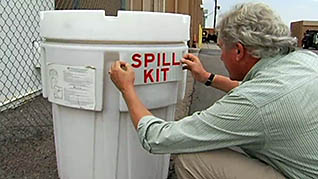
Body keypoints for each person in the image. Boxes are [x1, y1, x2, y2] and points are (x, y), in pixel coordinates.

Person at [109, 2, 318, 179]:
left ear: (238, 50)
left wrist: (127, 88)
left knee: (191, 161)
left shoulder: (254, 103)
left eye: (221, 48)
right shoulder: (306, 60)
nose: (220, 57)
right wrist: (206, 77)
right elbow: (268, 96)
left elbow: (157, 138)